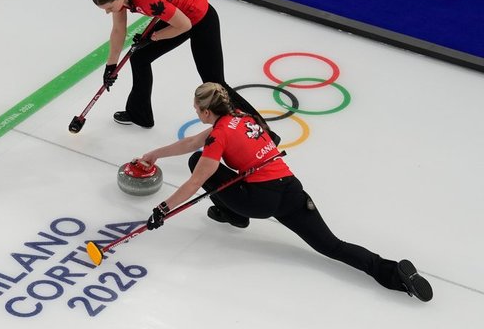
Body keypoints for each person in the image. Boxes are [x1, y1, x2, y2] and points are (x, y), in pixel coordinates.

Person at [133, 82, 432, 302]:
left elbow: (197, 180)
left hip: (257, 201)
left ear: (207, 110)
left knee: (198, 162)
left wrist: (163, 209)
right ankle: (394, 275)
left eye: (196, 109)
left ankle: (234, 214)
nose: (195, 112)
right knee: (332, 245)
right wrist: (154, 154)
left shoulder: (219, 134)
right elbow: (188, 141)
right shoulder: (242, 118)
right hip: (291, 191)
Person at [91, 0, 265, 132]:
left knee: (214, 81)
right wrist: (110, 66)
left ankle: (263, 130)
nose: (108, 12)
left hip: (200, 18)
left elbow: (184, 25)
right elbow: (118, 30)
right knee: (140, 57)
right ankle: (140, 114)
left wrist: (153, 37)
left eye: (110, 8)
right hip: (176, 14)